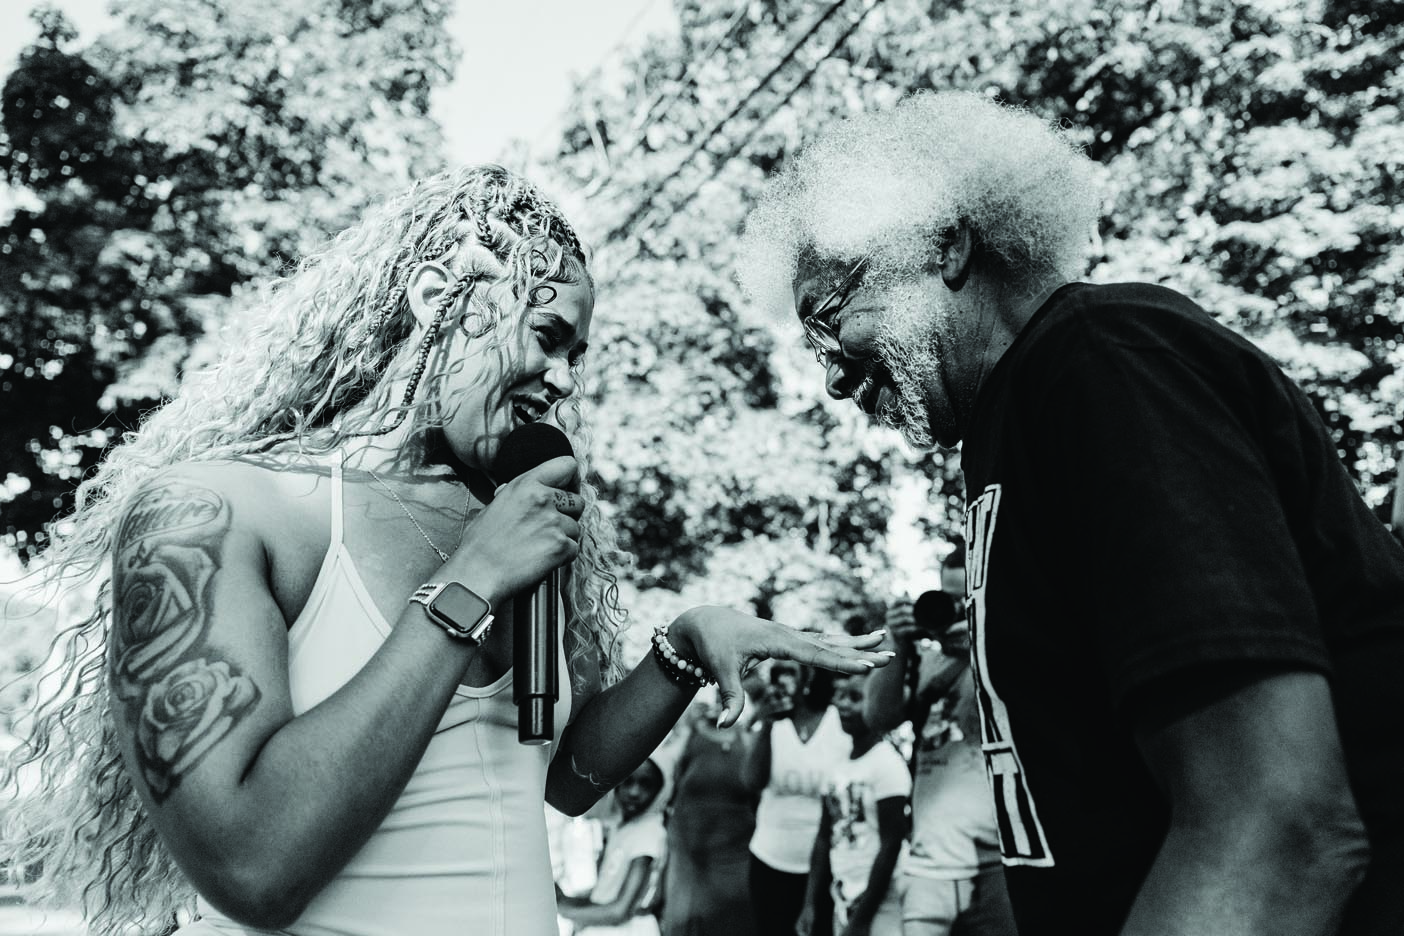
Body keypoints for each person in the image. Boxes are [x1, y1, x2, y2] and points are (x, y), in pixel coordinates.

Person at [0, 164, 892, 936]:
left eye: (578, 354)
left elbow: (558, 778)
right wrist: (470, 582)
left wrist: (683, 648)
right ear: (439, 301)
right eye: (548, 337)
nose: (565, 381)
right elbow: (253, 867)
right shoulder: (222, 511)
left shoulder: (514, 515)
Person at [738, 91, 1404, 936]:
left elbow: (1279, 830)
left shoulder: (1102, 367)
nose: (833, 378)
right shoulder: (1019, 414)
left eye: (830, 323)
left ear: (945, 246)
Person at [863, 548, 1016, 936]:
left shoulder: (1009, 652)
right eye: (948, 599)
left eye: (965, 599)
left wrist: (981, 646)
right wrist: (897, 642)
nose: (956, 608)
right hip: (928, 864)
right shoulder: (927, 662)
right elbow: (878, 717)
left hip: (998, 864)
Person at [740, 663, 850, 936]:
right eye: (778, 673)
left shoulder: (837, 721)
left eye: (791, 672)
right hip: (770, 858)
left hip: (826, 865)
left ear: (811, 676)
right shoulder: (773, 723)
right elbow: (752, 781)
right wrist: (766, 724)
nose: (782, 680)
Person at [798, 672, 910, 936]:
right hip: (845, 895)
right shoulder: (837, 764)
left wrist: (861, 920)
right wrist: (809, 903)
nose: (843, 704)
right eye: (841, 695)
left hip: (883, 899)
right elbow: (824, 836)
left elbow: (891, 844)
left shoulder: (887, 763)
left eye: (855, 698)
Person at [657, 672, 767, 936]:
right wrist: (689, 723)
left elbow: (757, 789)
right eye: (720, 694)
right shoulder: (692, 732)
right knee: (686, 920)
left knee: (732, 921)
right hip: (689, 849)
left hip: (734, 851)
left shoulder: (748, 739)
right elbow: (666, 771)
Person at [557, 757, 669, 936]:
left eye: (645, 784)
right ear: (616, 785)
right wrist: (563, 900)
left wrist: (565, 910)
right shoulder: (620, 828)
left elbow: (620, 911)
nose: (634, 792)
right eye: (628, 781)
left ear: (658, 791)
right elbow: (603, 897)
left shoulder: (649, 831)